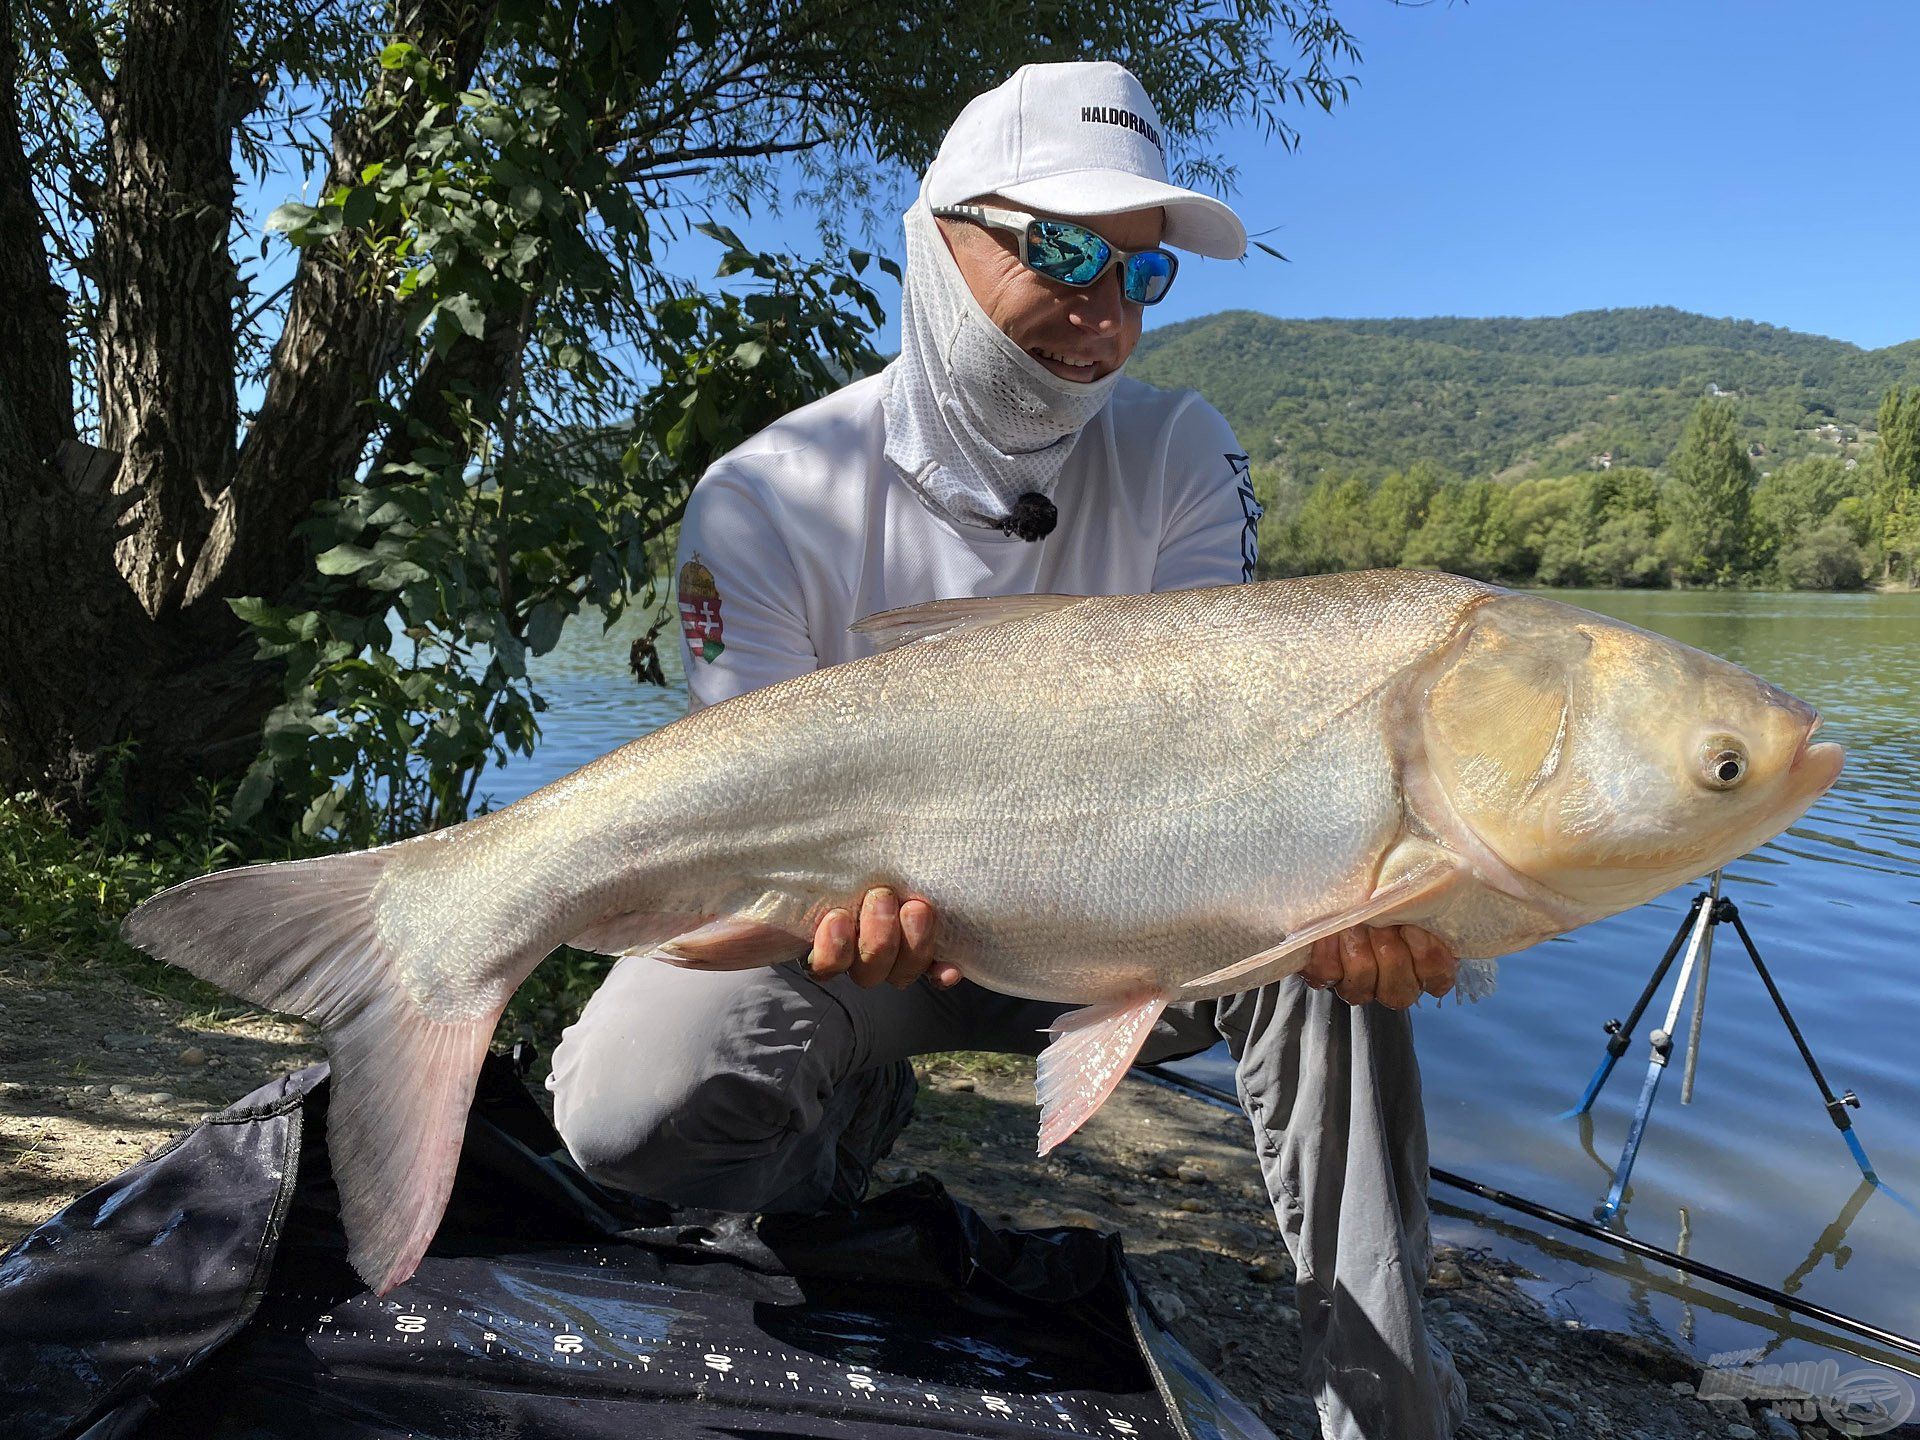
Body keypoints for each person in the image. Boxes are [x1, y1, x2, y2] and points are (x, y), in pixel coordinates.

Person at [549, 60, 1467, 1440]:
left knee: (1343, 928)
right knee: (625, 1109)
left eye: (1142, 277)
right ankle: (826, 1185)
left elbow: (1223, 767)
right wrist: (823, 919)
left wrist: (1374, 886)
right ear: (939, 240)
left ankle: (1391, 1407)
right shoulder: (762, 497)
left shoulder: (1181, 452)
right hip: (879, 946)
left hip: (1148, 921)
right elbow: (744, 834)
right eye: (1064, 251)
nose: (1104, 315)